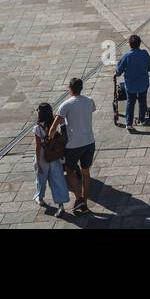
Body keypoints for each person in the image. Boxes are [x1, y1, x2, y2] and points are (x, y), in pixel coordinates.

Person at [50, 77, 96, 215]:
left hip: (74, 145)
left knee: (70, 171)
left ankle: (79, 198)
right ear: (81, 88)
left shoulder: (66, 105)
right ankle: (84, 203)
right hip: (89, 142)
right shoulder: (90, 101)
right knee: (85, 172)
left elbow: (53, 128)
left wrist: (50, 139)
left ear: (70, 89)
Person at [32, 101, 70, 215]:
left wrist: (38, 162)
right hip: (54, 154)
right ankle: (61, 204)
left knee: (41, 178)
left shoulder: (38, 128)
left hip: (44, 155)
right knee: (57, 178)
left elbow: (38, 147)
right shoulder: (54, 122)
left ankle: (40, 198)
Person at [116, 35, 150, 132]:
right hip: (143, 83)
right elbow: (149, 68)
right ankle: (142, 119)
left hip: (131, 85)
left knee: (130, 102)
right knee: (142, 100)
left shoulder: (126, 56)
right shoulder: (145, 54)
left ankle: (129, 123)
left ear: (130, 45)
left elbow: (118, 71)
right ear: (139, 43)